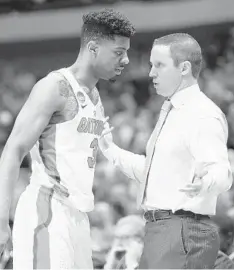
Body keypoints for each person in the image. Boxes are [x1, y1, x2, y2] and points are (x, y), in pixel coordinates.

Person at [0, 9, 135, 269]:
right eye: (119, 52)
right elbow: (13, 151)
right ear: (93, 48)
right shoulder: (54, 87)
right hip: (48, 210)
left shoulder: (95, 97)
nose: (126, 60)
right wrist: (1, 220)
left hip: (79, 216)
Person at [99, 33, 233, 269]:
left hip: (182, 229)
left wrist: (206, 182)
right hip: (161, 229)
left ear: (184, 68)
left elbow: (222, 172)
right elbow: (154, 174)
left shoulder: (202, 113)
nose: (151, 73)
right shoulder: (173, 112)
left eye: (159, 65)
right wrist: (111, 150)